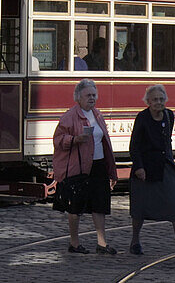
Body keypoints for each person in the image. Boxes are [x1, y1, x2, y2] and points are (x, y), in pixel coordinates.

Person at [128, 84, 175, 256]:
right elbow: (134, 146)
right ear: (148, 102)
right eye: (154, 100)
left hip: (165, 166)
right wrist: (139, 167)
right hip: (145, 168)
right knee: (140, 208)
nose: (158, 103)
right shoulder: (142, 118)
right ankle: (135, 241)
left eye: (161, 99)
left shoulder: (169, 115)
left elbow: (167, 141)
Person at [52, 78, 117, 254]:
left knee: (100, 204)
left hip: (98, 165)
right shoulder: (69, 116)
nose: (92, 98)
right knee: (75, 207)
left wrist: (111, 169)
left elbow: (105, 142)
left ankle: (102, 244)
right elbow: (58, 140)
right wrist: (75, 140)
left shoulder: (97, 114)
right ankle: (74, 243)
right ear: (78, 97)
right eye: (88, 95)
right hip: (78, 167)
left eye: (94, 95)